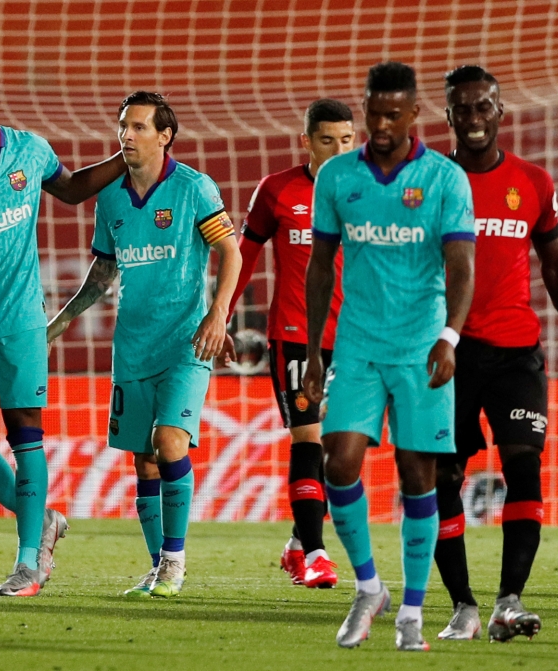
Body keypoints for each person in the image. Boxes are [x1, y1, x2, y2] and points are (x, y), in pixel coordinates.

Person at [0, 59, 126, 596]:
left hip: (21, 322)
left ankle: (28, 562)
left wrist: (124, 157)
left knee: (26, 438)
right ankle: (42, 520)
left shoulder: (30, 151)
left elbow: (72, 189)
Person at [302, 61, 476, 651]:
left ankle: (411, 614)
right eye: (372, 112)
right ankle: (369, 586)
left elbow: (460, 267)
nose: (379, 124)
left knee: (417, 475)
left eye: (392, 114)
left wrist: (450, 336)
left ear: (414, 114)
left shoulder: (446, 180)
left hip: (421, 349)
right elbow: (321, 264)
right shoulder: (336, 178)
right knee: (339, 463)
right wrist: (314, 349)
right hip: (356, 346)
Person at [48, 91, 242, 598]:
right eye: (122, 126)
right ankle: (159, 566)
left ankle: (174, 563)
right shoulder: (110, 197)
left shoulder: (194, 188)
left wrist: (218, 315)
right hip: (132, 347)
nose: (126, 136)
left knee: (169, 442)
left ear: (165, 135)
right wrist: (63, 320)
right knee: (143, 460)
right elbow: (104, 269)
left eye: (137, 127)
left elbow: (231, 253)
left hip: (186, 340)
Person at [434, 64, 558, 642]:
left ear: (501, 111)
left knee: (524, 463)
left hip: (515, 353)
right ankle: (463, 606)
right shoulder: (428, 182)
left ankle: (509, 601)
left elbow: (556, 264)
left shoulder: (532, 182)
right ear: (448, 115)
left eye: (484, 106)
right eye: (464, 109)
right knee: (443, 476)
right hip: (446, 357)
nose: (475, 118)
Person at [229, 98, 356, 588]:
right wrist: (219, 316)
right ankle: (318, 555)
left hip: (354, 341)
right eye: (327, 139)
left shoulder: (371, 192)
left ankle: (299, 541)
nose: (338, 149)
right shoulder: (277, 190)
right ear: (307, 140)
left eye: (347, 140)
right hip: (296, 336)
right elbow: (244, 255)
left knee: (343, 451)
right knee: (308, 438)